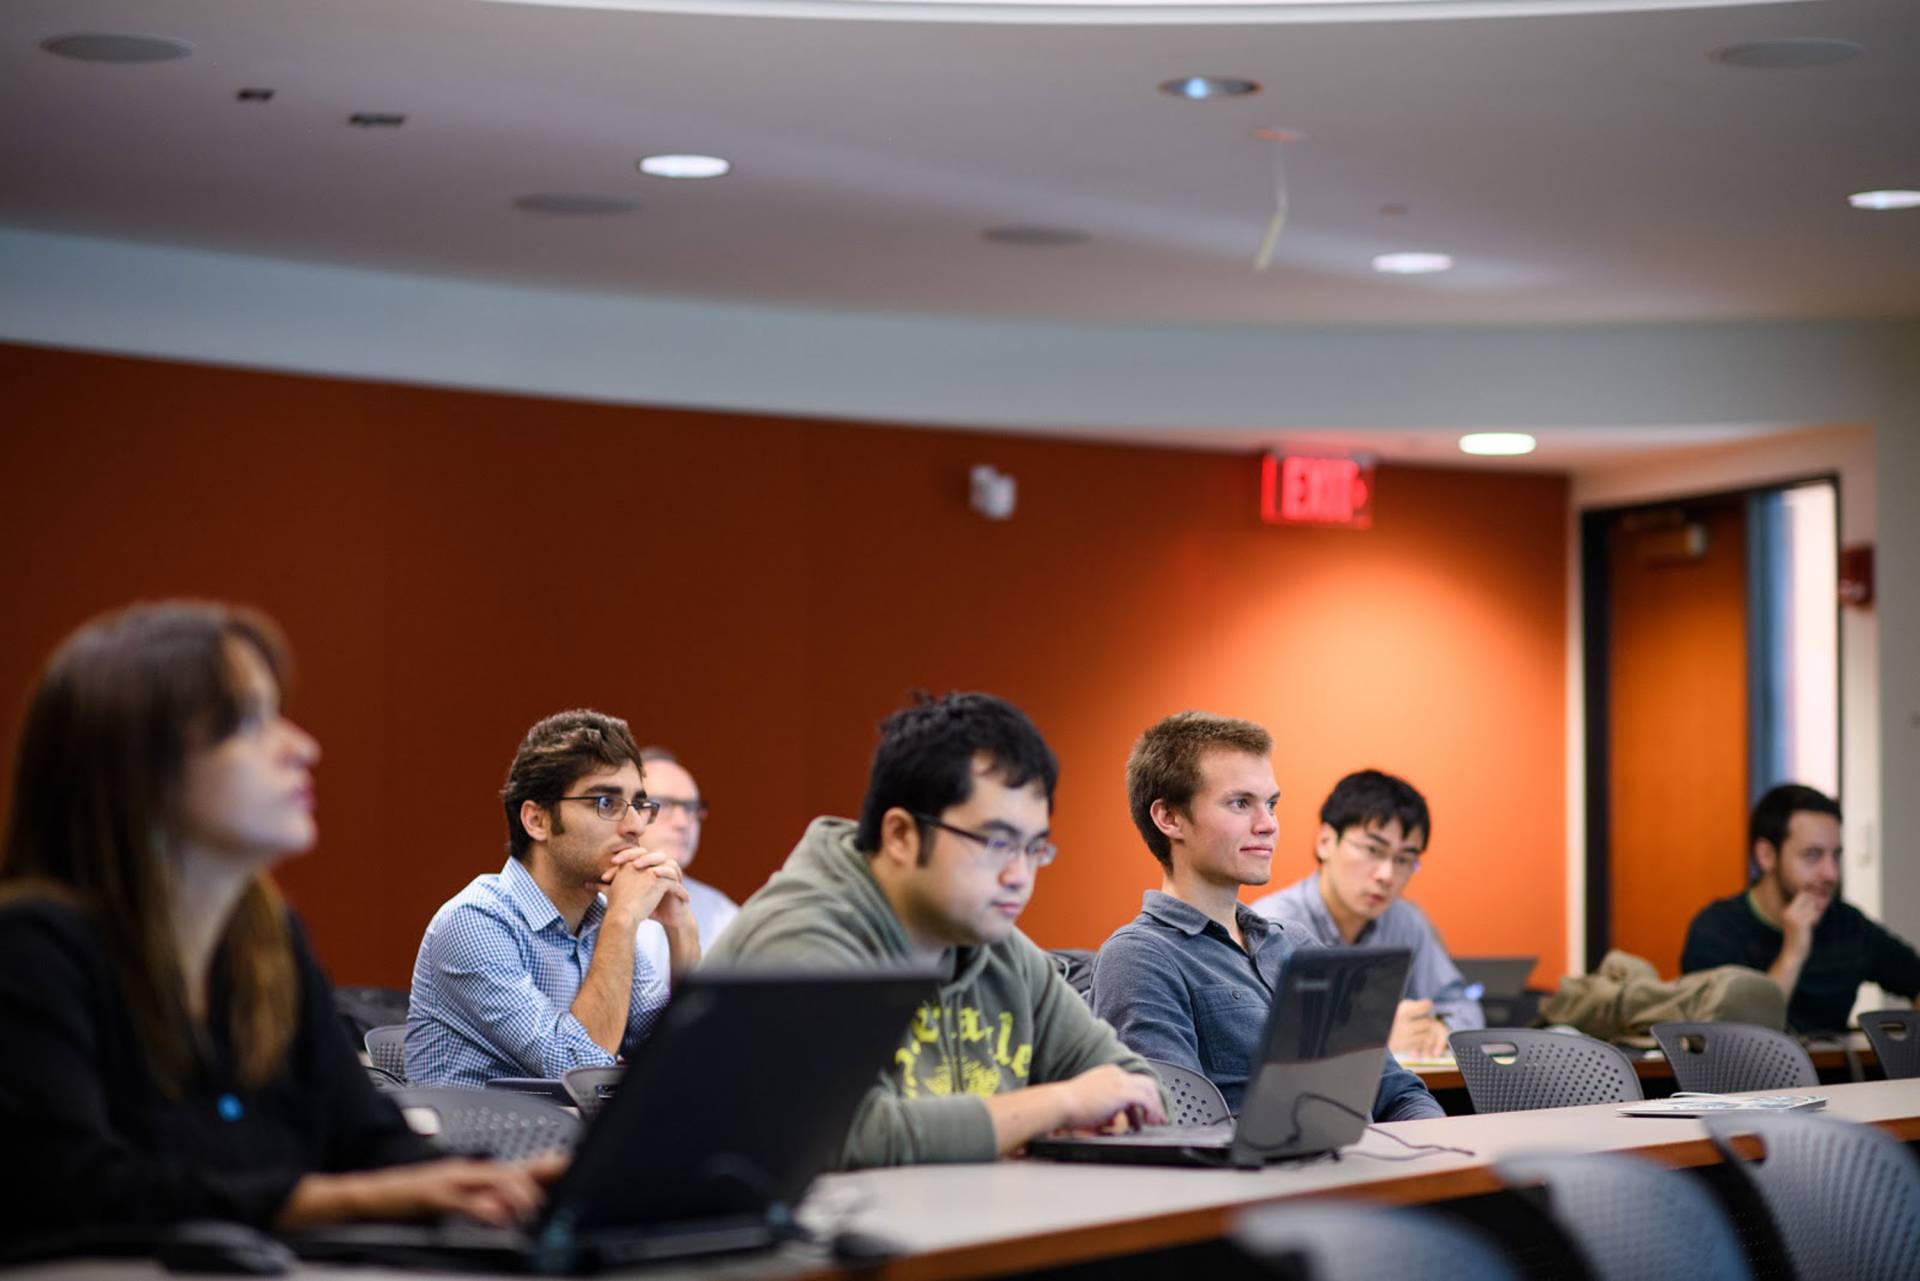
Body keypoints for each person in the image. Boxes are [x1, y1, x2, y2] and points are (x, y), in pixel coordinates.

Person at [0, 603, 552, 1252]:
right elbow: (66, 1188)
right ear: (137, 768)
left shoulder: (267, 945)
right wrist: (330, 1200)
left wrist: (504, 1184)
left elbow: (366, 1141)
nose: (303, 746)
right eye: (248, 722)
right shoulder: (33, 950)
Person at [706, 691, 1167, 1167]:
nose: (1019, 876)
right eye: (995, 842)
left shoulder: (998, 950)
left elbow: (1135, 1086)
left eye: (1034, 849)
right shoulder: (800, 940)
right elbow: (841, 1136)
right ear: (902, 835)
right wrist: (1059, 1106)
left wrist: (1093, 1110)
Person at [1093, 713, 1442, 1120]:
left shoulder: (1297, 945)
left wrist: (1440, 1152)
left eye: (1271, 804)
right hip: (1259, 1179)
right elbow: (1176, 1128)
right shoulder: (1139, 957)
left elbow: (1397, 1092)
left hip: (1357, 1166)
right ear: (1169, 818)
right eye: (1241, 803)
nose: (1268, 825)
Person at [405, 710, 698, 1087]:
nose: (636, 826)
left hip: (570, 1140)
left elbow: (685, 1056)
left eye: (639, 805)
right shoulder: (475, 920)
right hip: (482, 1141)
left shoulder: (598, 921)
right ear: (537, 821)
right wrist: (623, 921)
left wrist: (681, 928)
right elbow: (579, 1070)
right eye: (605, 804)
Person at [1248, 769, 1484, 1059]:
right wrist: (1372, 1038)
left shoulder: (1405, 921)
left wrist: (1439, 1027)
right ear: (1325, 842)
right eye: (1373, 849)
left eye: (1404, 859)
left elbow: (1463, 1005)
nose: (1387, 875)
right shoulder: (1271, 924)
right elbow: (1254, 1040)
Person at [1680, 783, 1920, 1033]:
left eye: (1835, 856)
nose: (1830, 873)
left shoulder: (1848, 924)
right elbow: (1733, 1046)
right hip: (1747, 1071)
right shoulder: (1716, 930)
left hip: (1836, 1071)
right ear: (1766, 856)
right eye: (1813, 855)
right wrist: (1793, 954)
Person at [633, 747, 738, 981]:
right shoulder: (586, 905)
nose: (683, 822)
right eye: (663, 804)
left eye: (691, 808)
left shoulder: (724, 916)